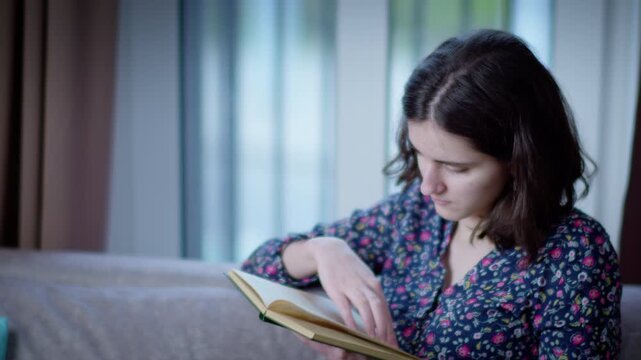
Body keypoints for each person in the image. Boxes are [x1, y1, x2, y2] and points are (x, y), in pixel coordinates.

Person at [241, 29, 621, 359]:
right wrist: (323, 250)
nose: (428, 185)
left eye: (456, 168)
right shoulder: (412, 213)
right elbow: (256, 269)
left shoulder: (575, 252)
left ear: (520, 160)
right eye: (421, 155)